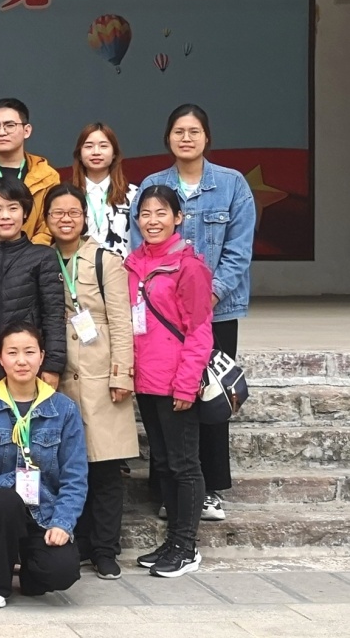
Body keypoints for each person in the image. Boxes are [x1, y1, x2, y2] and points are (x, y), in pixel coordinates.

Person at [131, 104, 255, 523]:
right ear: (168, 137)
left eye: (194, 131)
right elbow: (140, 247)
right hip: (161, 315)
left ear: (207, 137)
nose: (186, 138)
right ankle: (169, 490)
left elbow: (239, 251)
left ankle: (210, 489)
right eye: (179, 131)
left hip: (216, 313)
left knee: (209, 396)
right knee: (164, 399)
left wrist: (208, 296)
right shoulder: (154, 186)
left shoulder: (232, 184)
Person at [45, 183, 138, 580]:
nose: (65, 219)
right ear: (46, 219)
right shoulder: (43, 257)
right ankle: (79, 541)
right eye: (57, 213)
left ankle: (105, 549)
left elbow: (121, 321)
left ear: (84, 217)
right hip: (61, 373)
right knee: (69, 464)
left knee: (105, 466)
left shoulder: (105, 260)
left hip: (101, 373)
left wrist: (122, 373)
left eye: (73, 212)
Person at [125, 185, 214, 578]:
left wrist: (186, 383)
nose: (152, 221)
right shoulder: (133, 263)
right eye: (145, 213)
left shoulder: (188, 267)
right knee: (162, 463)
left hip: (176, 381)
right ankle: (172, 541)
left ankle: (186, 546)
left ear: (178, 218)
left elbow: (200, 331)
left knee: (184, 465)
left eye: (161, 213)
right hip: (146, 380)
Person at [0, 321, 87, 608]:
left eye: (29, 352)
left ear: (42, 356)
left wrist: (62, 523)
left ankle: (30, 573)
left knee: (62, 571)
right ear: (0, 358)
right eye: (12, 353)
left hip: (43, 512)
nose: (21, 360)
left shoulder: (64, 410)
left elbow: (75, 476)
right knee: (6, 501)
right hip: (0, 514)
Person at [0, 176, 66, 402]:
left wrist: (53, 366)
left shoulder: (43, 257)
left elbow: (54, 316)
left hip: (27, 369)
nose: (5, 216)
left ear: (25, 212)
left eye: (13, 208)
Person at [0, 98, 60, 251]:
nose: (1, 132)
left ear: (27, 130)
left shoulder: (47, 176)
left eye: (9, 125)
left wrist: (28, 259)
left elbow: (47, 227)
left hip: (33, 260)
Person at [70, 123, 138, 258]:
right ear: (79, 154)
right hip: (78, 268)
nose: (96, 152)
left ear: (114, 154)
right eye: (89, 146)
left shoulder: (133, 194)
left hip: (123, 268)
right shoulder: (68, 195)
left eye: (103, 146)